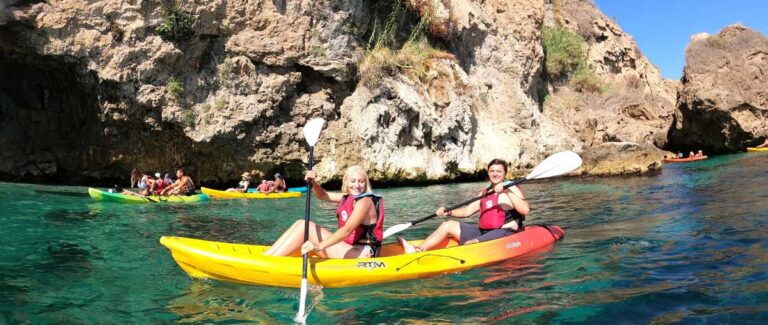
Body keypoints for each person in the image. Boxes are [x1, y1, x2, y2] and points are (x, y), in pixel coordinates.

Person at [398, 158, 529, 254]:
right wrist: (448, 212)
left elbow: (525, 210)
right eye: (492, 171)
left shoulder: (511, 188)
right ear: (488, 173)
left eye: (499, 171)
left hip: (504, 232)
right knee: (448, 224)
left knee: (470, 244)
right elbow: (467, 211)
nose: (495, 174)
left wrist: (507, 191)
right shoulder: (484, 192)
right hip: (483, 231)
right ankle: (419, 250)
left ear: (505, 173)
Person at [262, 166, 385, 258]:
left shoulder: (365, 202)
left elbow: (347, 230)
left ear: (366, 183)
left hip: (363, 253)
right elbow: (324, 196)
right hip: (351, 248)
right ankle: (269, 255)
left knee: (306, 228)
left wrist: (319, 246)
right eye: (353, 181)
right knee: (301, 223)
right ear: (346, 182)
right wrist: (312, 182)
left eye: (361, 181)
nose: (357, 185)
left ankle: (269, 260)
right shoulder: (348, 198)